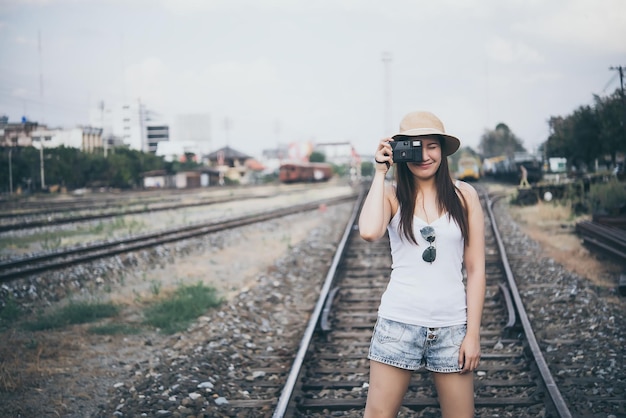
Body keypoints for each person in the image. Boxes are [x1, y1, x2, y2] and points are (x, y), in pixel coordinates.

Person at [359, 111, 486, 418]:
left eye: (432, 146)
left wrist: (473, 334)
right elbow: (368, 231)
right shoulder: (392, 195)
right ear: (401, 152)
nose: (424, 155)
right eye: (415, 147)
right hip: (399, 324)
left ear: (443, 150)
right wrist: (379, 173)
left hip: (452, 328)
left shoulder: (465, 195)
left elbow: (476, 269)